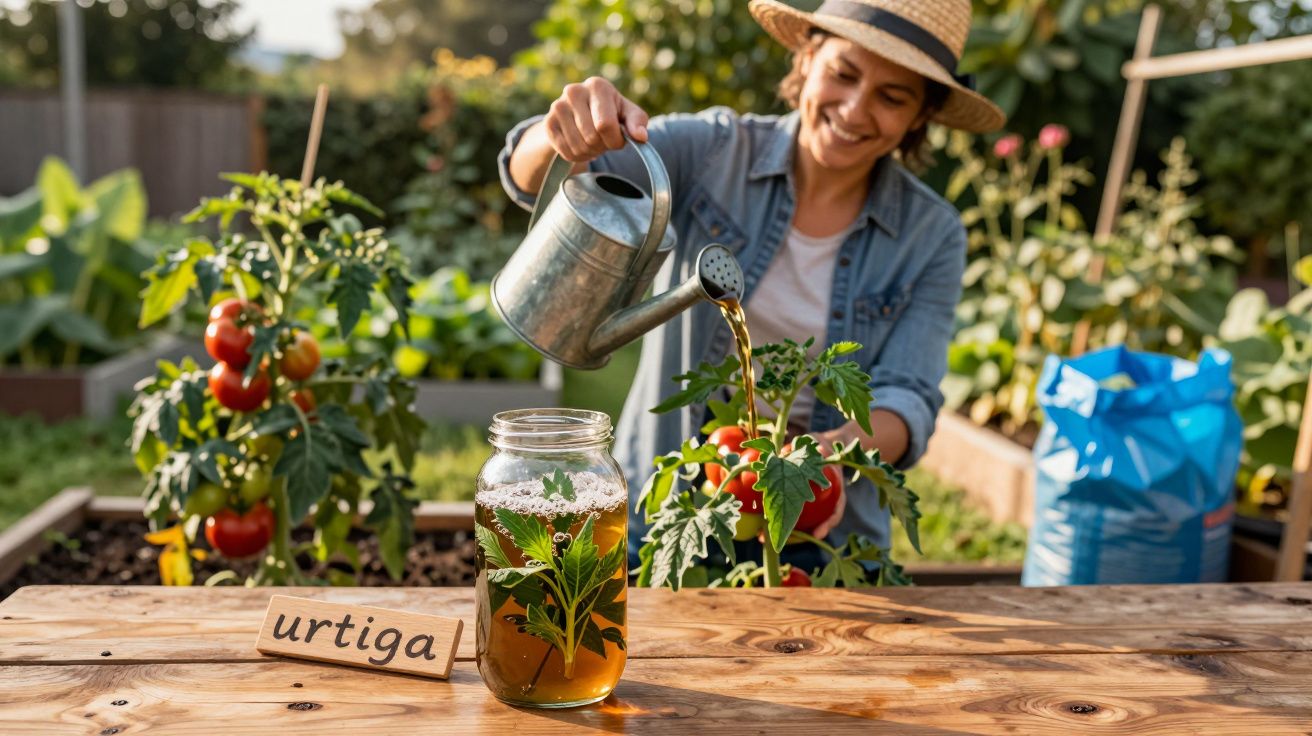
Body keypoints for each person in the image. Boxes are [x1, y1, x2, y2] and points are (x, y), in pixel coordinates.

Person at [497, 0, 1006, 568]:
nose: (856, 109)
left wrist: (816, 463)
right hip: (670, 516)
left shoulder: (930, 234)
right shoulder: (712, 151)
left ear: (919, 117)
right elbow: (532, 178)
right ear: (807, 57)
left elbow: (907, 399)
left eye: (893, 97)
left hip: (822, 535)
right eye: (843, 73)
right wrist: (561, 132)